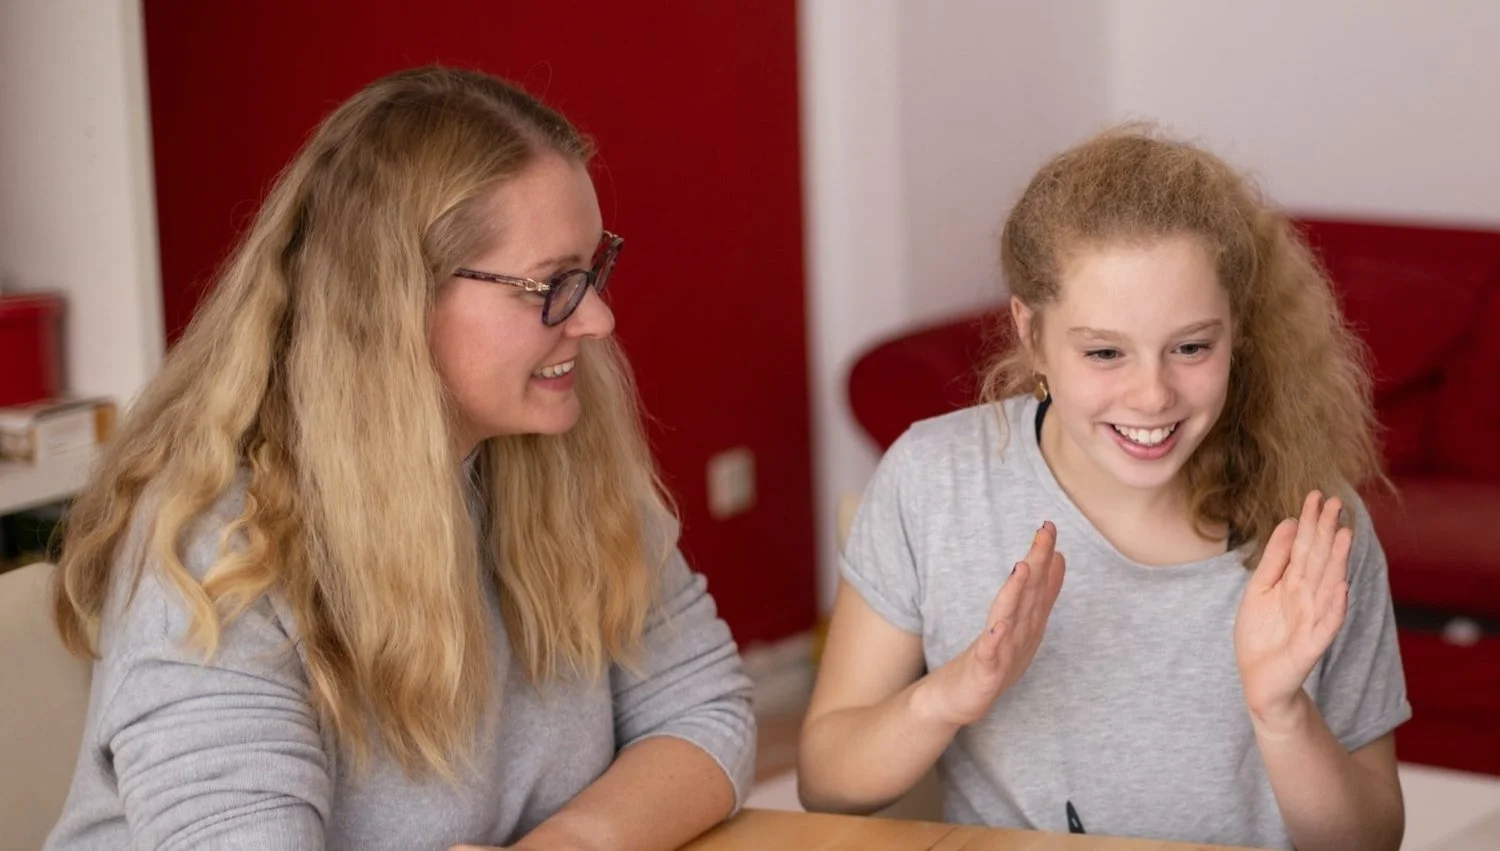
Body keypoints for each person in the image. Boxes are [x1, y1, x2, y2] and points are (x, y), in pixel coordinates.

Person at [45, 65, 755, 851]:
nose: (596, 317)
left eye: (592, 270)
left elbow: (706, 710)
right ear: (396, 301)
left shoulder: (562, 458)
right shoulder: (216, 545)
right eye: (551, 284)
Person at [797, 126, 1409, 850]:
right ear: (1032, 332)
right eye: (1104, 352)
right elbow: (824, 776)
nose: (1151, 395)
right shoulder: (935, 479)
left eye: (1190, 346)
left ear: (1237, 330)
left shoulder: (1310, 522)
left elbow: (1371, 840)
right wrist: (953, 692)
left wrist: (1282, 712)